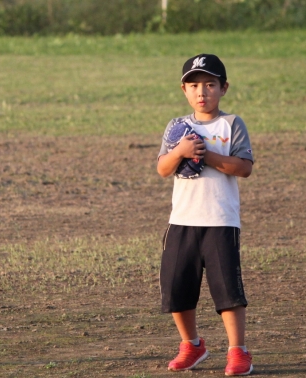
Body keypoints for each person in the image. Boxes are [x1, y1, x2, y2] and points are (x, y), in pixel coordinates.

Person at [156, 54, 254, 376]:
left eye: (210, 84)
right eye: (195, 85)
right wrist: (181, 152)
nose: (202, 92)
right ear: (184, 89)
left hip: (220, 221)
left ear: (223, 88)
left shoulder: (231, 124)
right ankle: (191, 345)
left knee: (227, 290)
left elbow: (243, 168)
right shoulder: (177, 128)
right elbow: (162, 168)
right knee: (177, 287)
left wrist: (205, 154)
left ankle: (238, 352)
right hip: (182, 220)